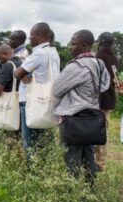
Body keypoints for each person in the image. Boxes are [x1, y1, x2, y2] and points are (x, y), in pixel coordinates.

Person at [52, 30, 110, 183]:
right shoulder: (99, 64)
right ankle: (89, 190)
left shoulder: (76, 66)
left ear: (84, 45)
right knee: (89, 156)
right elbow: (105, 85)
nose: (70, 47)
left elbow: (56, 89)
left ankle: (72, 194)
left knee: (71, 158)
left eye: (73, 44)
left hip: (73, 118)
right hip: (91, 118)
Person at [14, 22, 60, 164]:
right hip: (48, 99)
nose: (30, 38)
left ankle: (32, 170)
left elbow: (17, 73)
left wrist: (21, 74)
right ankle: (46, 168)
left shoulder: (39, 53)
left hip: (32, 100)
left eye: (32, 35)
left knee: (30, 141)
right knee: (45, 137)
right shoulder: (54, 52)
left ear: (40, 35)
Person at [95, 32, 119, 171]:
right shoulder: (115, 59)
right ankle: (101, 163)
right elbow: (116, 80)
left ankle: (95, 163)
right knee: (104, 132)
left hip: (96, 100)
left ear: (100, 42)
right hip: (109, 100)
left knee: (91, 130)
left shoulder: (97, 57)